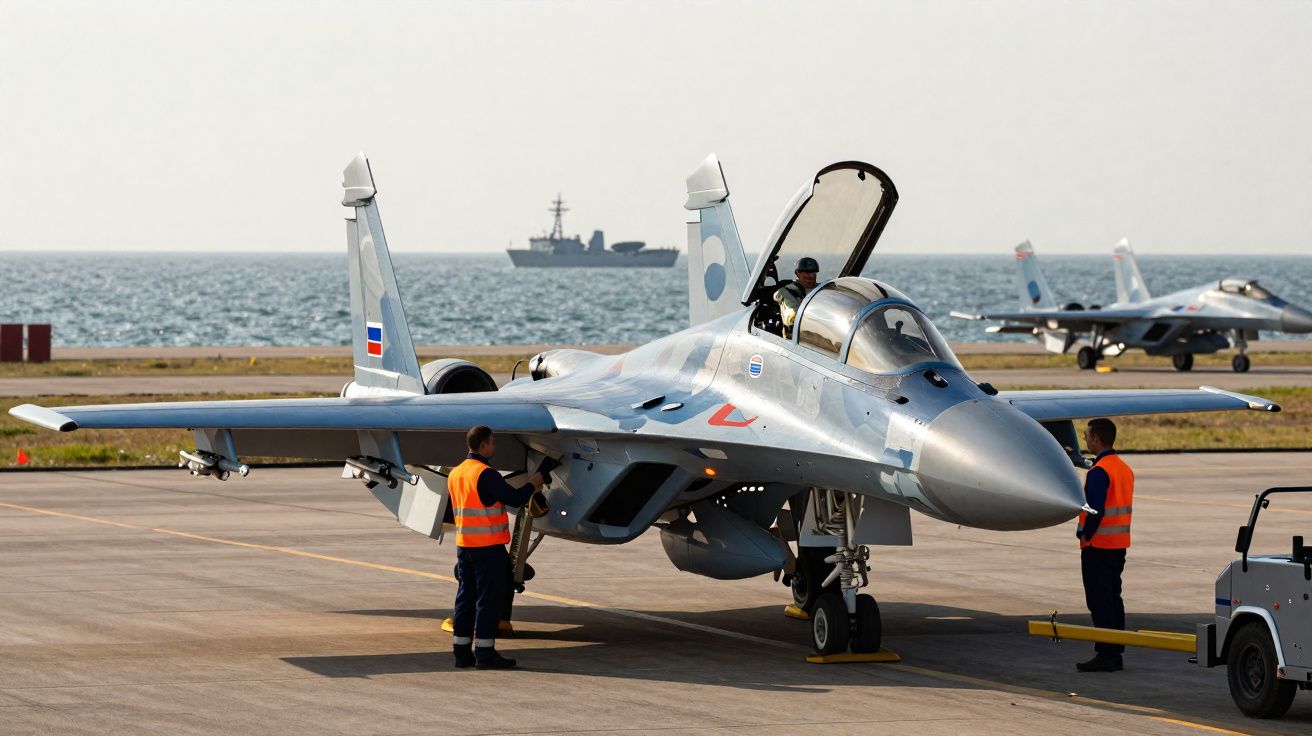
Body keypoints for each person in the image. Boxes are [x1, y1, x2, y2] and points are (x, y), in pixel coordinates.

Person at [448, 425, 544, 669]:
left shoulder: (456, 473)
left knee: (465, 598)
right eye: (492, 443)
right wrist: (532, 484)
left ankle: (461, 652)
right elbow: (514, 498)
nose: (494, 447)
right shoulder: (486, 474)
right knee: (488, 600)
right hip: (487, 547)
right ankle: (485, 653)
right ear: (483, 446)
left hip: (464, 546)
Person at [1074, 417, 1134, 673]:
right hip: (1118, 545)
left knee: (1100, 602)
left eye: (1087, 435)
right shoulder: (1123, 468)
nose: (1085, 439)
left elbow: (1094, 510)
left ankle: (1106, 653)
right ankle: (1116, 650)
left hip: (1098, 546)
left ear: (1097, 439)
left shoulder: (1100, 471)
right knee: (1113, 598)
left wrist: (1085, 535)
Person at [773, 256, 820, 337]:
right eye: (807, 272)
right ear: (797, 273)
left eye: (814, 272)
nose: (811, 276)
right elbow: (794, 316)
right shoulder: (787, 292)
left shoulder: (822, 289)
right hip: (798, 339)